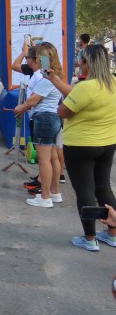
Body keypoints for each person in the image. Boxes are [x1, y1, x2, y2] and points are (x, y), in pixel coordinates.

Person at [51, 45, 116, 251]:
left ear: (88, 63)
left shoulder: (86, 87)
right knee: (104, 187)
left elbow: (63, 111)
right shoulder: (113, 82)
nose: (79, 64)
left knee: (85, 190)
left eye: (81, 60)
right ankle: (112, 233)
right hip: (107, 143)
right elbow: (79, 97)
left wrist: (60, 106)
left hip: (81, 145)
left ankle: (89, 237)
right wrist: (54, 79)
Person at [13, 43, 63, 208]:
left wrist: (21, 107)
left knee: (44, 160)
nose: (32, 60)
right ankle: (54, 192)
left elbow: (34, 99)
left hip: (44, 118)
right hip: (52, 117)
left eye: (37, 57)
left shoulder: (46, 77)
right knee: (53, 157)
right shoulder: (50, 74)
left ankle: (45, 196)